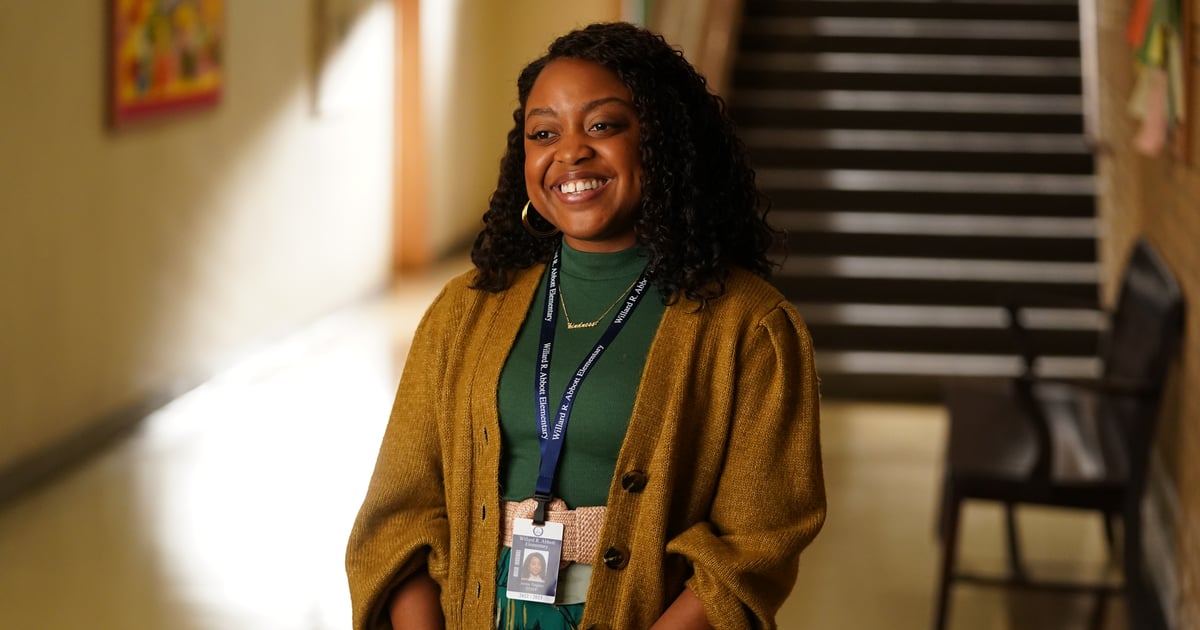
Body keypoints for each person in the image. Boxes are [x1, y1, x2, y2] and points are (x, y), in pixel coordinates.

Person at [346, 21, 825, 630]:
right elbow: (401, 518)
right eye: (544, 132)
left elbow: (754, 545)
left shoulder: (750, 328)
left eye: (603, 125)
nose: (570, 152)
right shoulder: (464, 311)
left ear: (662, 140)